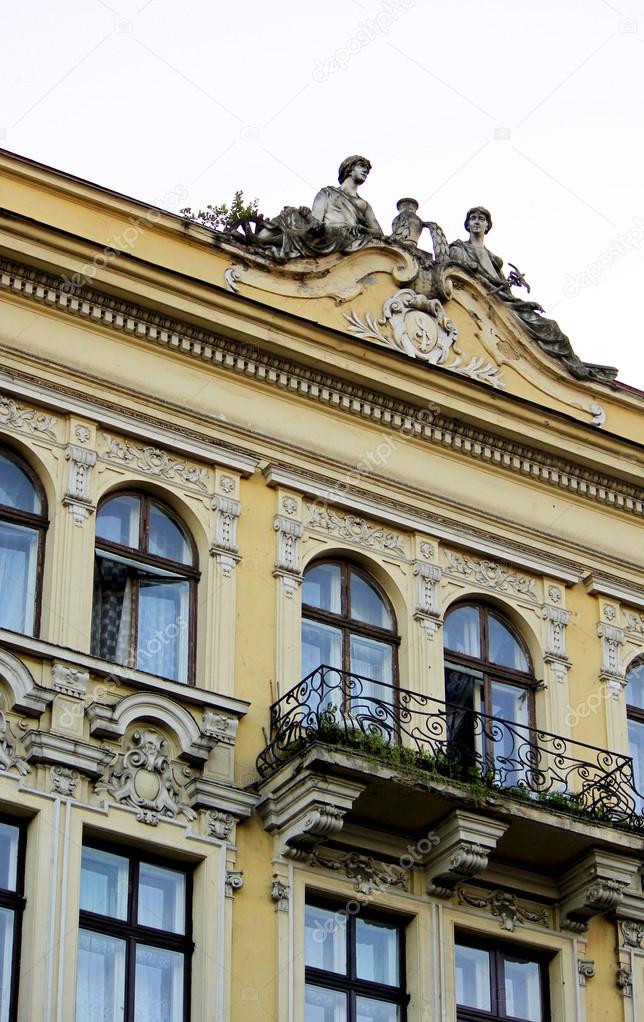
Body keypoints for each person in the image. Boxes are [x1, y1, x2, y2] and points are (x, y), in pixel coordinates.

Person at [312, 155, 383, 250]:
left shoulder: (364, 204)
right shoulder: (327, 193)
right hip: (329, 236)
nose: (365, 171)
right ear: (349, 169)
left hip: (353, 240)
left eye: (367, 169)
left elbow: (379, 233)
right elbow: (315, 222)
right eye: (361, 165)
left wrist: (364, 230)